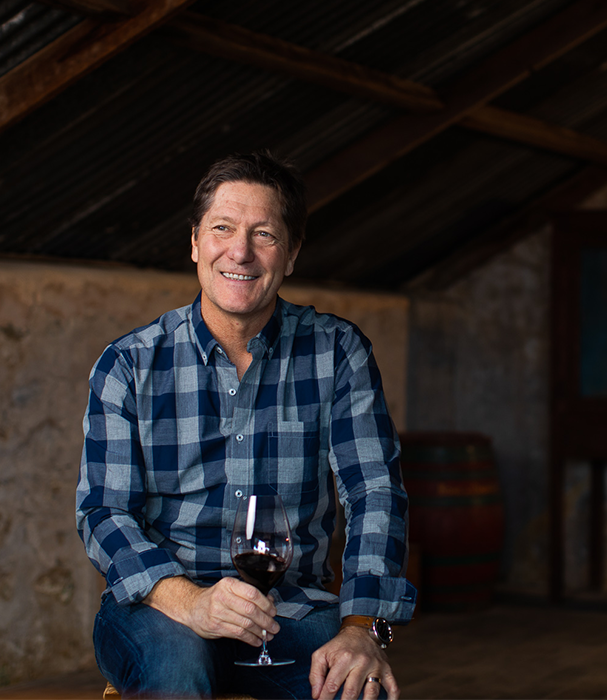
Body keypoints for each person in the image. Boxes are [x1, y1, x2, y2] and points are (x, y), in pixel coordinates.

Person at [76, 151, 415, 699]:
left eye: (265, 235)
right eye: (223, 229)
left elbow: (374, 491)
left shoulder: (336, 352)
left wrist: (361, 628)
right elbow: (103, 511)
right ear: (194, 242)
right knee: (178, 672)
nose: (241, 251)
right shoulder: (129, 365)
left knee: (358, 689)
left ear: (292, 253)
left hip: (293, 609)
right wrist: (191, 601)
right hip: (162, 609)